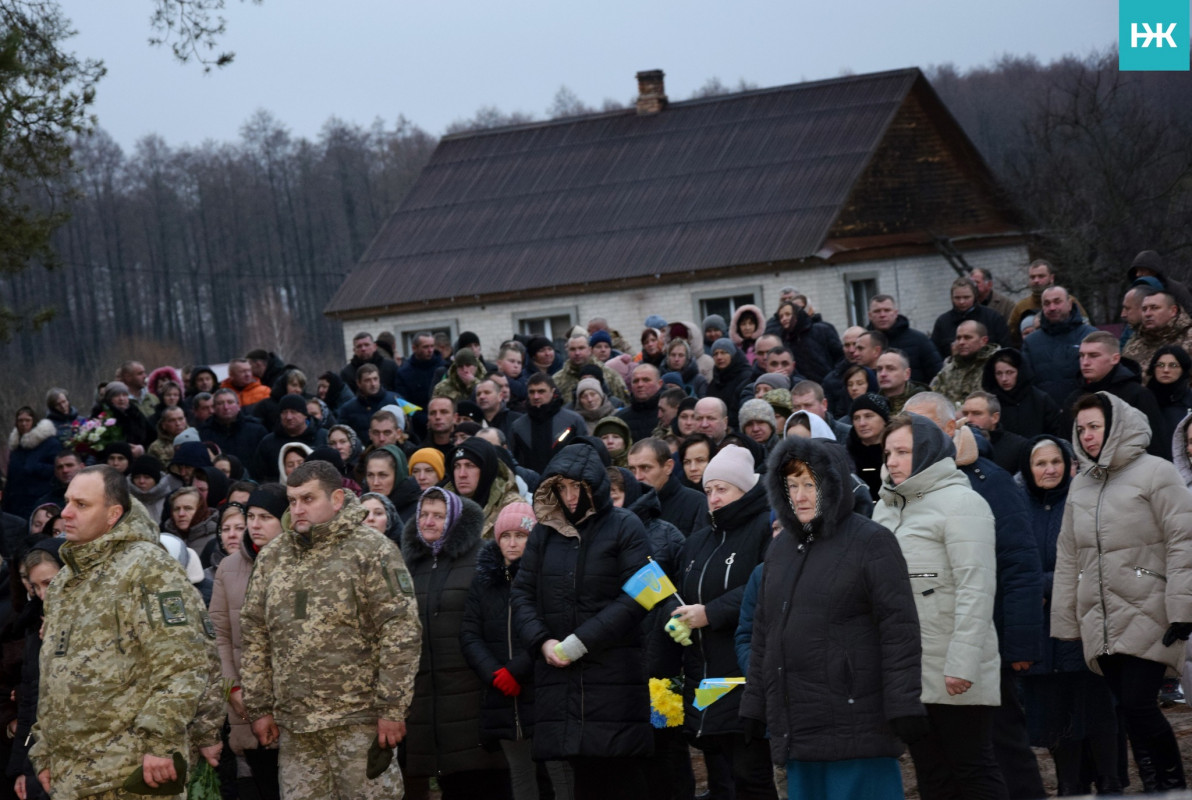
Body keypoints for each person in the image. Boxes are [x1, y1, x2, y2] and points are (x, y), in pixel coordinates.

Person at [740, 435, 926, 799]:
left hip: (856, 724)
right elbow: (764, 633)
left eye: (810, 484)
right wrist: (754, 705)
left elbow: (899, 629)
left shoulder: (872, 541)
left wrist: (904, 703)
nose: (800, 496)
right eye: (791, 485)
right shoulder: (779, 550)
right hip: (798, 728)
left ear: (833, 484)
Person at [29, 466, 222, 799]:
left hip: (130, 772)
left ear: (113, 514)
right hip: (70, 775)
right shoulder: (63, 583)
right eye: (67, 502)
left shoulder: (147, 567)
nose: (66, 512)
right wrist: (42, 749)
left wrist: (161, 743)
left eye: (82, 504)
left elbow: (184, 664)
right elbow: (53, 673)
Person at [239, 462, 422, 800]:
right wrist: (260, 706)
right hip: (296, 728)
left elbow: (400, 632)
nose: (297, 509)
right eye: (292, 501)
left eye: (307, 499)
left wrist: (392, 710)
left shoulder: (372, 551)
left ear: (337, 498)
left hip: (359, 721)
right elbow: (255, 634)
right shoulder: (274, 557)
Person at [1051, 392, 1192, 792]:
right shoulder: (1081, 485)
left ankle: (1171, 786)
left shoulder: (1156, 472)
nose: (1088, 435)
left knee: (1139, 704)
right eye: (1081, 429)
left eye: (1095, 426)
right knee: (1128, 711)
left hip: (1153, 610)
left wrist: (1183, 606)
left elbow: (1184, 539)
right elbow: (1068, 555)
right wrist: (1065, 622)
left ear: (1117, 426)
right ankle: (1155, 787)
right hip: (1101, 615)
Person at [872, 415, 1006, 800]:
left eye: (902, 452)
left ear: (928, 452)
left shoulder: (963, 503)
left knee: (972, 769)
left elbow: (976, 589)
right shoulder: (884, 509)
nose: (892, 461)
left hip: (953, 666)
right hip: (907, 669)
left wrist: (962, 664)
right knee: (931, 774)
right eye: (888, 453)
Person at [509, 444, 653, 800]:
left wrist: (581, 641)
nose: (570, 497)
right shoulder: (544, 534)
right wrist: (541, 641)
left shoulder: (626, 526)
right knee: (582, 781)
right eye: (562, 488)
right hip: (560, 677)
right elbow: (522, 594)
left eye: (578, 487)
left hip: (614, 679)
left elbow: (643, 596)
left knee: (622, 777)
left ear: (595, 487)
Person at [665, 444, 776, 800]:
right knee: (722, 776)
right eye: (709, 490)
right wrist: (677, 613)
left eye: (722, 489)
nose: (713, 497)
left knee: (752, 775)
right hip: (705, 673)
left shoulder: (767, 527)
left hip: (744, 670)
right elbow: (682, 589)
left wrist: (710, 613)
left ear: (745, 490)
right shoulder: (699, 540)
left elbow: (769, 583)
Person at [1017, 437, 1121, 795]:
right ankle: (1068, 786)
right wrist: (1039, 585)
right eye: (1040, 463)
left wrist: (1047, 584)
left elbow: (1097, 560)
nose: (1049, 470)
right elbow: (1013, 564)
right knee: (1055, 710)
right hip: (1040, 627)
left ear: (1069, 464)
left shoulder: (1084, 501)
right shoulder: (1018, 507)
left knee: (1096, 704)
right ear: (1028, 470)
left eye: (1055, 462)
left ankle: (1109, 781)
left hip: (1084, 620)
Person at [399, 487, 511, 798]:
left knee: (482, 782)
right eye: (424, 514)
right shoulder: (409, 565)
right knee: (449, 782)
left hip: (475, 692)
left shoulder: (483, 556)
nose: (429, 521)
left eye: (439, 515)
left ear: (456, 520)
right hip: (427, 700)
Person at [210, 486, 288, 800]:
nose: (254, 525)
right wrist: (233, 688)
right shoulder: (229, 568)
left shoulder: (306, 564)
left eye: (265, 517)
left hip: (297, 705)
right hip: (246, 704)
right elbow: (219, 636)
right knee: (267, 787)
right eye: (251, 516)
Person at [1021, 286, 1097, 406]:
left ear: (1070, 304)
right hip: (1047, 416)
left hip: (1085, 411)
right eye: (1047, 304)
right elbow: (1027, 384)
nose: (1052, 308)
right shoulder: (1031, 342)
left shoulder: (1091, 336)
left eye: (1057, 302)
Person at [445, 436, 523, 540]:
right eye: (457, 466)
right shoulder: (443, 504)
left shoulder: (513, 508)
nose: (461, 474)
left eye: (470, 465)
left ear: (486, 470)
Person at [628, 437, 707, 536]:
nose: (637, 477)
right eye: (632, 469)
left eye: (645, 468)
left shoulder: (697, 503)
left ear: (668, 467)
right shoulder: (626, 504)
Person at [510, 374, 586, 473]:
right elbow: (514, 462)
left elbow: (584, 456)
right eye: (532, 392)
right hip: (530, 485)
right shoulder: (518, 427)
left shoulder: (573, 421)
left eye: (541, 391)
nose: (536, 396)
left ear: (552, 392)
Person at [981, 348, 1062, 440]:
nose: (1004, 379)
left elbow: (1056, 432)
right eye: (999, 373)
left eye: (1010, 372)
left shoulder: (1041, 400)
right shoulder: (989, 402)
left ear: (1020, 372)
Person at [867, 294, 942, 384]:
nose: (882, 315)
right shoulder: (862, 344)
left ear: (895, 313)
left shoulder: (919, 340)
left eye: (887, 310)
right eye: (877, 311)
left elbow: (938, 376)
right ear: (870, 315)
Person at [929, 277, 1010, 360]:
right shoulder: (942, 322)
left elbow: (1006, 348)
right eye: (957, 298)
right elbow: (934, 356)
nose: (962, 302)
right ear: (952, 298)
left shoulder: (993, 318)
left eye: (966, 297)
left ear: (975, 296)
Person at [3, 408, 60, 521]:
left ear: (34, 421)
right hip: (15, 502)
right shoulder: (16, 446)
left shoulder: (49, 443)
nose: (24, 424)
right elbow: (11, 477)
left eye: (27, 420)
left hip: (40, 500)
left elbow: (57, 470)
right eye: (20, 420)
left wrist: (35, 467)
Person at [1122, 289, 1192, 378]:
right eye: (1144, 309)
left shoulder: (1188, 337)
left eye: (1154, 308)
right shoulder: (1136, 339)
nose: (1147, 314)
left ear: (1173, 311)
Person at [930, 320, 999, 405]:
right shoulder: (948, 369)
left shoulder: (996, 366)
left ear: (983, 341)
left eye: (967, 337)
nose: (961, 342)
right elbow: (932, 397)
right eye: (958, 338)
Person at [1146, 345, 1192, 461]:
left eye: (1173, 365)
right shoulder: (1142, 399)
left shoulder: (1189, 400)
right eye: (1160, 365)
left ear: (1183, 369)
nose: (1166, 370)